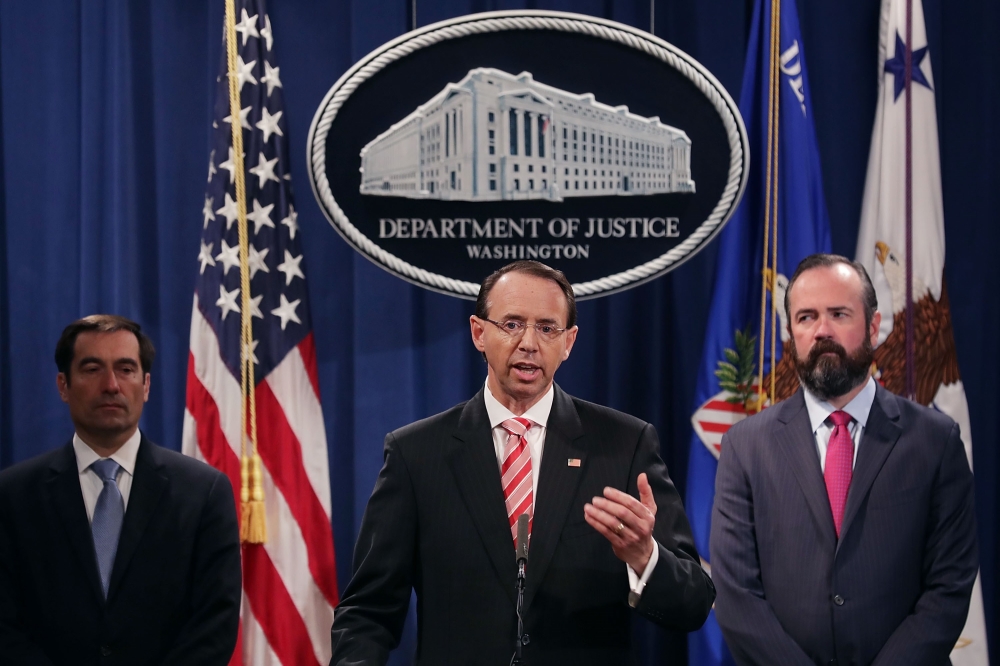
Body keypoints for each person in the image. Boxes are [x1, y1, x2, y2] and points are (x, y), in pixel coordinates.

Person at [330, 261, 714, 665]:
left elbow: (694, 605)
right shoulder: (416, 454)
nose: (529, 343)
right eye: (512, 324)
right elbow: (367, 614)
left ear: (569, 342)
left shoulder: (624, 444)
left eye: (547, 328)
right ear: (479, 333)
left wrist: (644, 555)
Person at [710, 254, 978, 665]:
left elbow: (949, 587)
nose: (822, 331)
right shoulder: (746, 447)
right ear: (790, 333)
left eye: (839, 314)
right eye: (806, 317)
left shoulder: (935, 441)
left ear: (873, 326)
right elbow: (737, 597)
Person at [0, 315, 242, 665]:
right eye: (92, 368)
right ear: (63, 385)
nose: (111, 384)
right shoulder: (12, 496)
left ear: (145, 385)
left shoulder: (204, 493)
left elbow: (214, 625)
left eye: (126, 369)